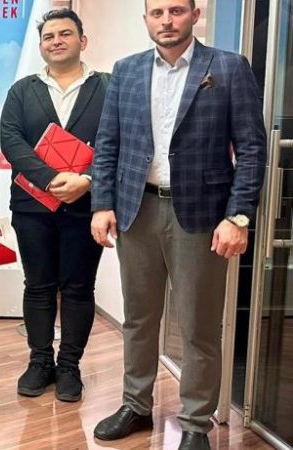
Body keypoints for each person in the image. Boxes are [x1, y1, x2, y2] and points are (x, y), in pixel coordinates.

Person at [89, 1, 266, 448]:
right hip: (137, 211)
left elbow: (251, 149)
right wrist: (102, 203)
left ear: (194, 15)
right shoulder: (126, 71)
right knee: (139, 318)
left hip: (202, 216)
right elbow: (108, 143)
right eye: (157, 13)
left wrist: (238, 216)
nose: (166, 21)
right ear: (146, 19)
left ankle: (195, 424)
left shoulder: (228, 67)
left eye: (176, 11)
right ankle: (136, 405)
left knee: (198, 326)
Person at [0, 8, 109, 402]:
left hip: (87, 205)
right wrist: (49, 179)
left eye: (65, 34)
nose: (56, 41)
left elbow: (118, 141)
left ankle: (70, 366)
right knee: (38, 285)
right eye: (49, 36)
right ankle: (40, 361)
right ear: (41, 46)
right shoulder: (22, 90)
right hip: (32, 207)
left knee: (79, 288)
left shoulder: (108, 87)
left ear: (83, 40)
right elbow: (11, 141)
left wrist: (87, 180)